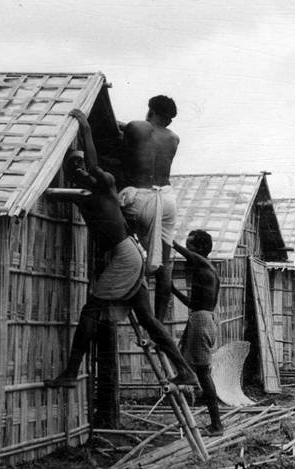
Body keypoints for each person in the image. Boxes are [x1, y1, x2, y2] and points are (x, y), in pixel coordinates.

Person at [45, 109, 197, 388]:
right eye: (73, 167)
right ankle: (185, 370)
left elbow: (94, 166)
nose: (79, 170)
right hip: (133, 252)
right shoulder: (85, 195)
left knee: (91, 310)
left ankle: (70, 373)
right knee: (147, 318)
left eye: (81, 165)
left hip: (127, 256)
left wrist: (86, 129)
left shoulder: (105, 184)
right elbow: (58, 195)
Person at [118, 95, 180, 321]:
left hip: (142, 199)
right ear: (169, 119)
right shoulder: (174, 138)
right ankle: (160, 322)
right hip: (167, 199)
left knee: (122, 246)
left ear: (150, 111)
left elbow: (124, 155)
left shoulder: (136, 127)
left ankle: (125, 302)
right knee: (165, 264)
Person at [171, 230, 223, 436]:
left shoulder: (205, 266)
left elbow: (190, 256)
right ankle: (189, 379)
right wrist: (172, 290)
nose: (187, 249)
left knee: (203, 373)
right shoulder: (205, 271)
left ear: (200, 249)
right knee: (194, 366)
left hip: (202, 321)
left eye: (189, 245)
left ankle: (217, 425)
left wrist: (170, 242)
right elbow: (193, 304)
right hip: (201, 317)